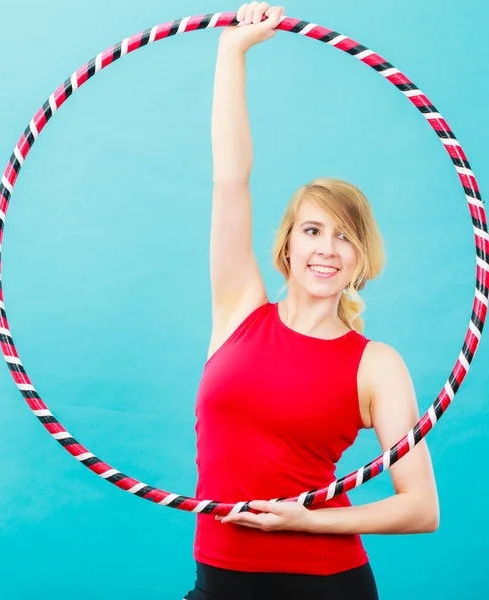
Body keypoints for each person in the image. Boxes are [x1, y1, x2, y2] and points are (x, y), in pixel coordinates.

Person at [183, 3, 440, 599]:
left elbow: (421, 509)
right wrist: (232, 52)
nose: (328, 249)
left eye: (346, 236)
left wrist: (309, 520)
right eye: (314, 230)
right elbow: (230, 178)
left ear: (362, 258)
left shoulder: (376, 364)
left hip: (325, 584)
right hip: (217, 580)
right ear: (288, 245)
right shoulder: (238, 309)